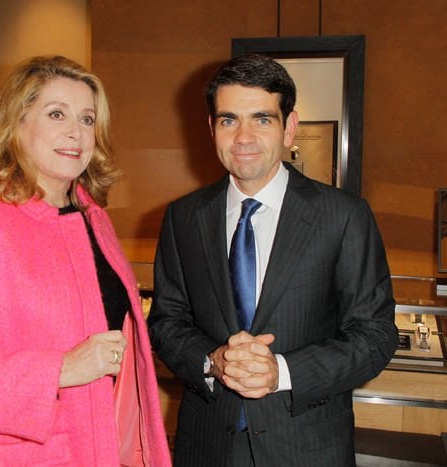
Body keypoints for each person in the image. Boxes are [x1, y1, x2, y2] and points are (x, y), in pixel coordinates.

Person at [0, 55, 171, 467]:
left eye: (87, 119)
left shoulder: (92, 217)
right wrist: (60, 369)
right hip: (18, 452)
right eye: (56, 114)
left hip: (98, 443)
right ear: (17, 125)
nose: (76, 133)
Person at [147, 53, 398, 466]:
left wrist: (281, 371)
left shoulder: (344, 216)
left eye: (261, 119)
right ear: (211, 129)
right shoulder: (184, 216)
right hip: (208, 445)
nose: (243, 137)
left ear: (289, 128)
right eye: (229, 120)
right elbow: (167, 321)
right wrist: (213, 360)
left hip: (307, 447)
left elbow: (375, 336)